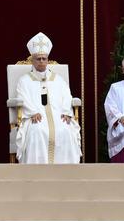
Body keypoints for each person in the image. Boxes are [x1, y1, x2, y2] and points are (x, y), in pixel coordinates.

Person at [15, 32, 81, 164]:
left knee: (65, 130)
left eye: (44, 58)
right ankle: (37, 171)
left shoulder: (58, 79)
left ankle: (66, 171)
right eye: (38, 59)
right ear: (32, 60)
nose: (41, 61)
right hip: (36, 117)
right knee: (36, 131)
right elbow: (22, 97)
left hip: (58, 115)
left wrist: (66, 112)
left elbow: (67, 96)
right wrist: (32, 112)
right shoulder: (24, 80)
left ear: (47, 60)